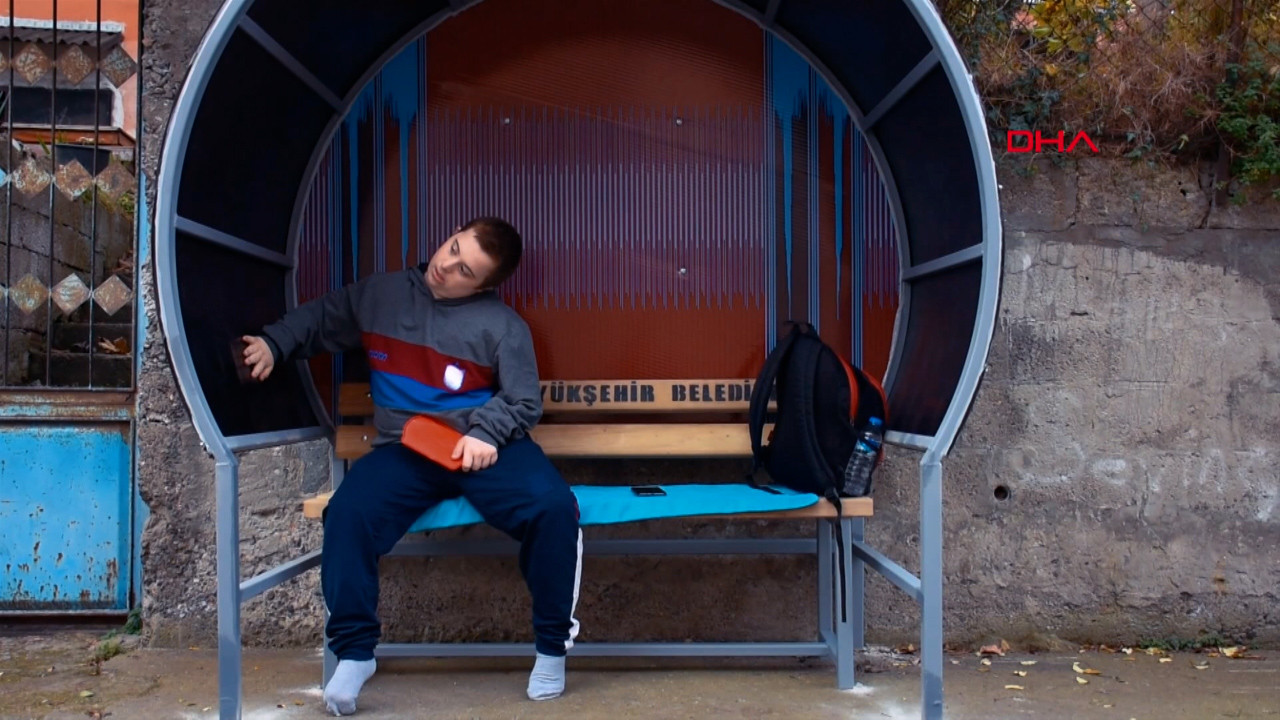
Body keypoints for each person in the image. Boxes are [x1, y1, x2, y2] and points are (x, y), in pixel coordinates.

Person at [241, 217, 582, 716]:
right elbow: (320, 318)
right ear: (451, 234)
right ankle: (355, 655)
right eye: (453, 247)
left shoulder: (504, 326)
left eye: (465, 270)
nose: (446, 265)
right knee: (348, 514)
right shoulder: (381, 296)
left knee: (554, 509)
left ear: (482, 286)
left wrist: (485, 433)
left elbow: (524, 400)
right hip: (408, 448)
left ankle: (551, 651)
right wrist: (274, 343)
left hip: (485, 449)